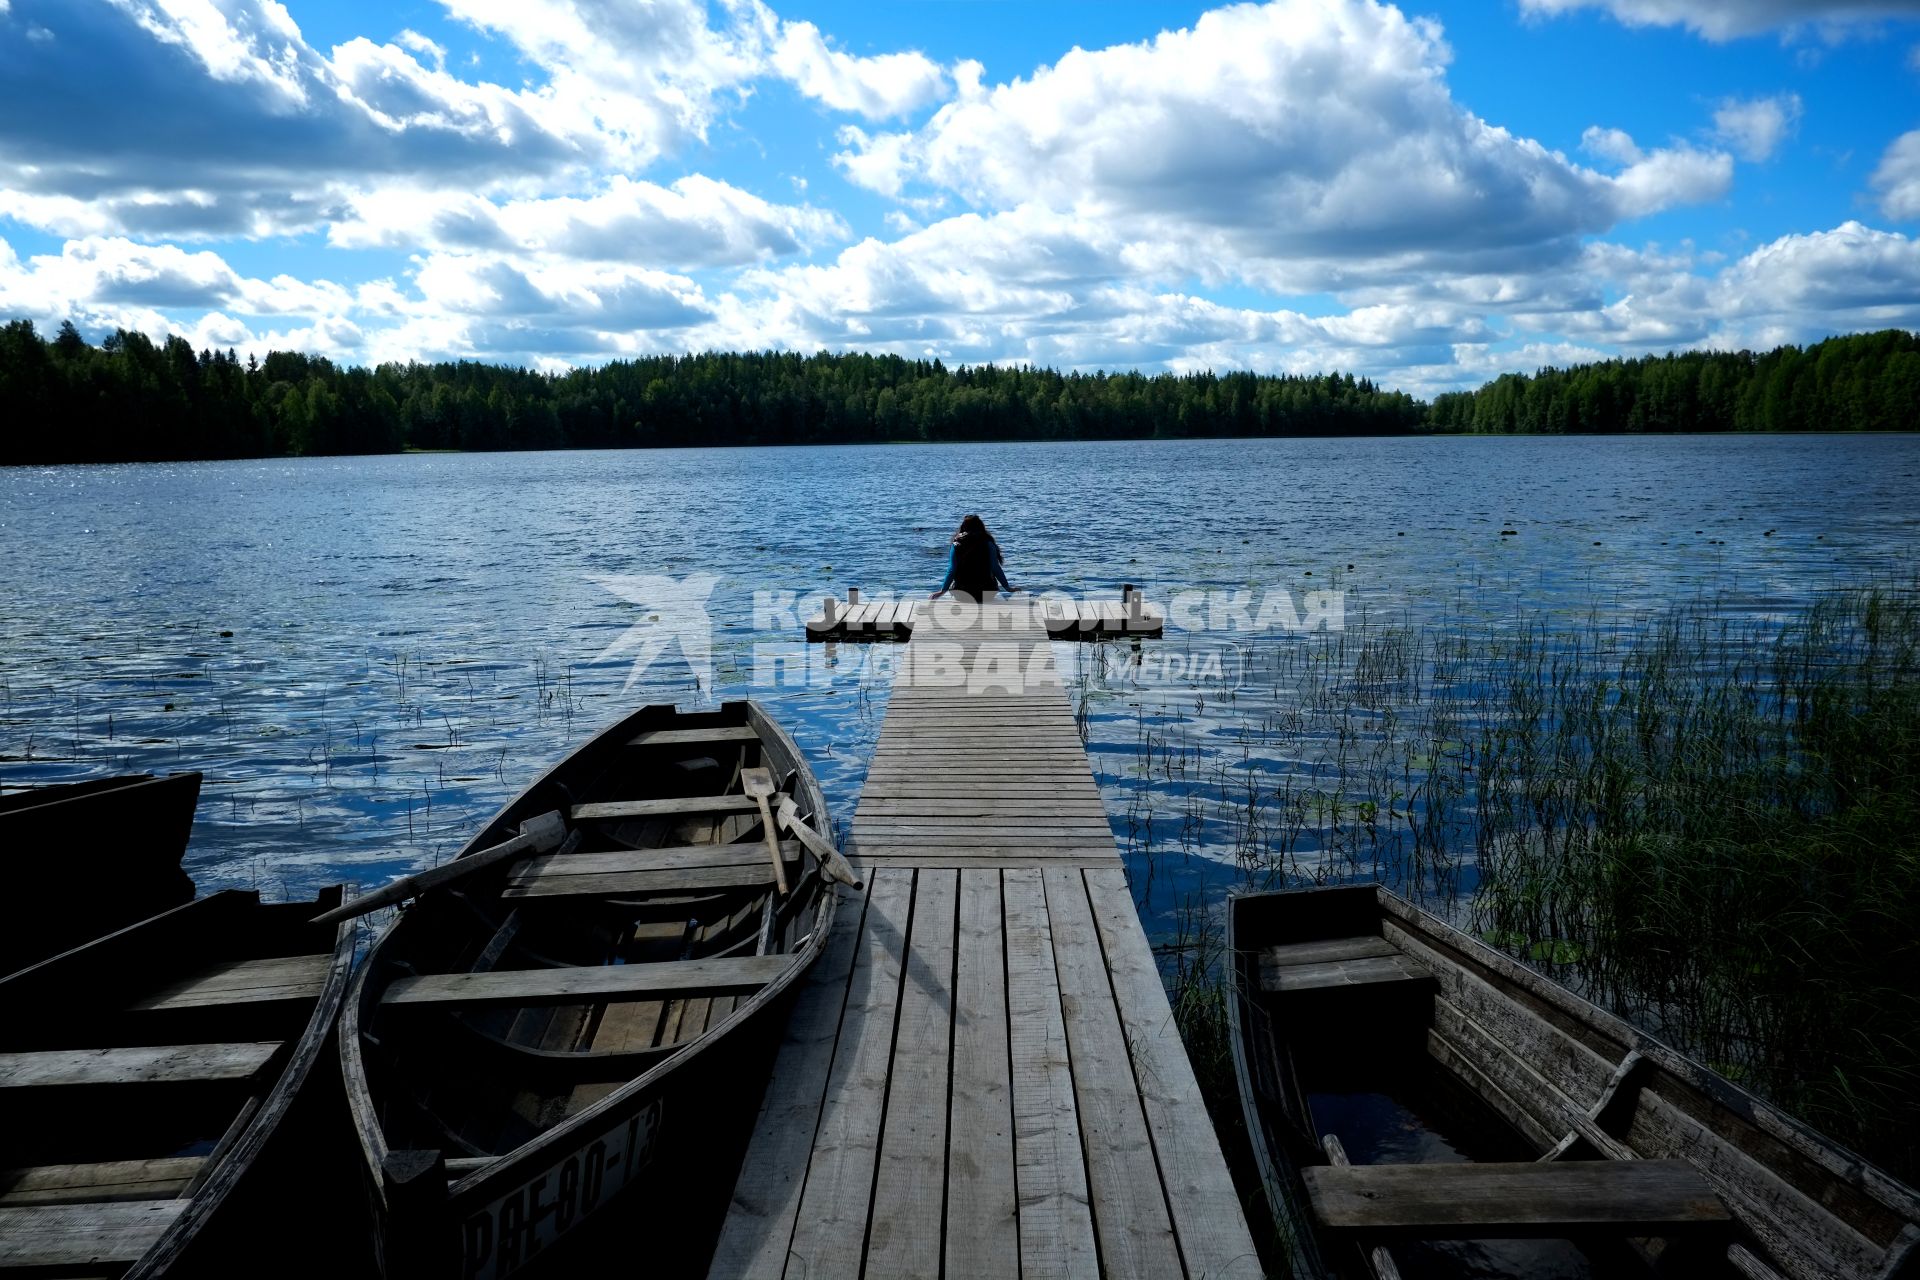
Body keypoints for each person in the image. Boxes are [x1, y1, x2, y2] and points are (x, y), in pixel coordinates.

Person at [931, 513, 1016, 602]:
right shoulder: (988, 543)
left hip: (961, 594)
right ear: (981, 527)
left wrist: (942, 591)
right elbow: (995, 568)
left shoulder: (956, 544)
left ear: (963, 527)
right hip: (987, 594)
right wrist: (1007, 587)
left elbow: (952, 570)